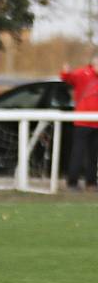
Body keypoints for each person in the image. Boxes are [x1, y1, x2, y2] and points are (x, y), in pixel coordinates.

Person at [60, 57, 98, 190]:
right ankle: (72, 182)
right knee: (78, 153)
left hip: (96, 123)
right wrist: (65, 72)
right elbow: (68, 78)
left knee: (94, 155)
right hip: (82, 122)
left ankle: (91, 182)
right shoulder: (83, 73)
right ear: (93, 64)